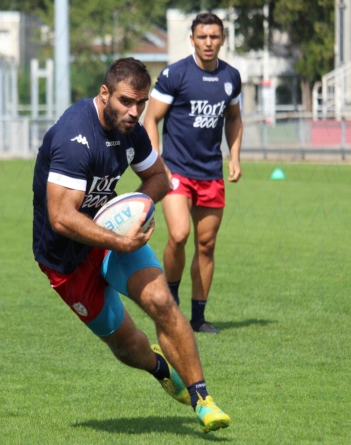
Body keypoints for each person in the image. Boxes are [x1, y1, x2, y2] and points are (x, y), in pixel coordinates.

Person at [32, 57, 230, 433]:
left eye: (141, 103)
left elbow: (159, 176)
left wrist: (137, 207)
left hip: (114, 237)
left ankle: (203, 399)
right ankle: (159, 368)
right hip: (66, 261)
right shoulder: (76, 138)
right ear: (104, 93)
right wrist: (118, 239)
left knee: (161, 302)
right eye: (126, 101)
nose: (134, 111)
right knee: (126, 346)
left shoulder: (131, 129)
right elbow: (61, 216)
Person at [143, 13, 243, 334]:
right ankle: (170, 302)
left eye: (214, 37)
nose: (208, 43)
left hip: (211, 173)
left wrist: (235, 157)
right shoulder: (176, 74)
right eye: (202, 37)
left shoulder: (232, 77)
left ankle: (198, 319)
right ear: (192, 40)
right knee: (179, 234)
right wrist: (157, 163)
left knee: (207, 245)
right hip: (176, 172)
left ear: (223, 39)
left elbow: (234, 118)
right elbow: (150, 119)